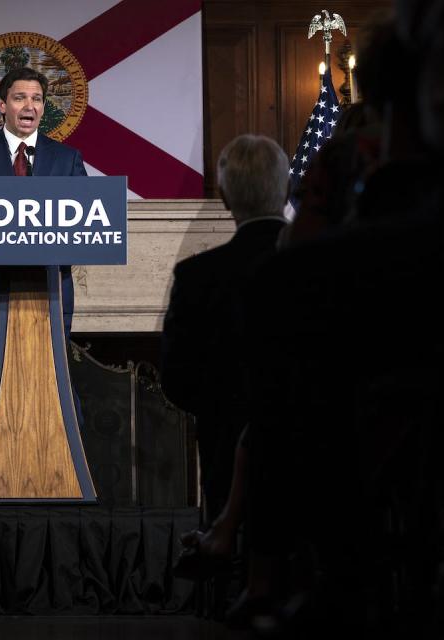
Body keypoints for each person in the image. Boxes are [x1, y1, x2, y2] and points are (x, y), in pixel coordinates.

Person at [161, 134, 289, 527]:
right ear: (286, 188)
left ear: (225, 197)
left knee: (229, 570)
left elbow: (176, 380)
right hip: (313, 454)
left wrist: (226, 408)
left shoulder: (198, 276)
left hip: (223, 449)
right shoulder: (321, 266)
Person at [0, 66, 87, 424]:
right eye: (20, 97)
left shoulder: (67, 159)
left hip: (48, 298)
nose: (30, 105)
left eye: (37, 98)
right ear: (1, 105)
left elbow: (85, 232)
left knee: (50, 409)